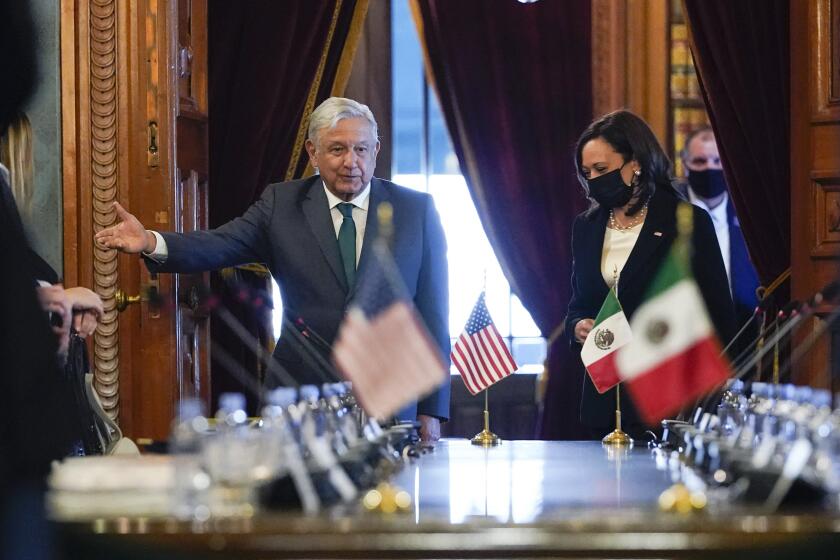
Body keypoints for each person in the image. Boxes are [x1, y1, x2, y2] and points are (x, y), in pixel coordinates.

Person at [95, 97, 450, 442]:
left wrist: (432, 409)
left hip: (390, 396)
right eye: (337, 149)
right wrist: (152, 242)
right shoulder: (281, 204)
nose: (351, 162)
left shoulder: (414, 211)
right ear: (313, 152)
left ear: (376, 151)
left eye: (361, 149)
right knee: (296, 503)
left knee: (390, 500)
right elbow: (219, 244)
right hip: (300, 394)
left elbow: (433, 315)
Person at [565, 110, 735, 440]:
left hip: (669, 399)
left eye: (602, 169)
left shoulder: (685, 221)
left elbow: (718, 316)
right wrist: (578, 325)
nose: (594, 179)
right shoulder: (586, 227)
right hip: (606, 398)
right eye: (587, 173)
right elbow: (579, 302)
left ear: (636, 163)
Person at [678, 127, 760, 340]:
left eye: (717, 161)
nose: (709, 168)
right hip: (682, 333)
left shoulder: (749, 209)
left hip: (741, 332)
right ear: (685, 164)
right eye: (699, 161)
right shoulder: (668, 208)